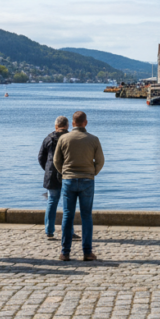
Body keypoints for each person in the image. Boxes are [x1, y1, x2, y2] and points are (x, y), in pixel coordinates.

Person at [54, 110, 104, 261]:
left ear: (73, 123)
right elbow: (100, 161)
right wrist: (92, 172)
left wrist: (65, 172)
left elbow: (56, 161)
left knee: (68, 215)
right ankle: (87, 252)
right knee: (86, 216)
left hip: (68, 180)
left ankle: (65, 252)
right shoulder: (94, 139)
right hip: (87, 180)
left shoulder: (64, 138)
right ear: (85, 123)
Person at [38, 116, 70, 239]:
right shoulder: (69, 138)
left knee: (52, 202)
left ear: (56, 126)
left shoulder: (48, 138)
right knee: (68, 204)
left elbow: (41, 157)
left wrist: (47, 169)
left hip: (51, 173)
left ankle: (49, 231)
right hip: (67, 173)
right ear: (67, 126)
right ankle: (68, 231)